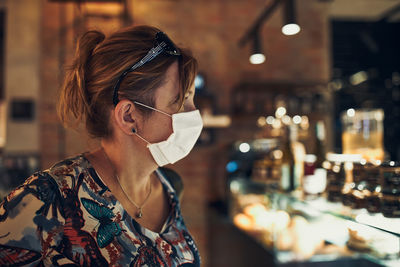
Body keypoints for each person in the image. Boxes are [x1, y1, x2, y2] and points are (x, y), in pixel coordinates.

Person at [0, 25, 202, 266]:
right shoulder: (46, 200)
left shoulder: (168, 186)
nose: (194, 114)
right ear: (129, 116)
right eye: (180, 101)